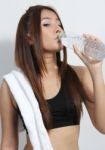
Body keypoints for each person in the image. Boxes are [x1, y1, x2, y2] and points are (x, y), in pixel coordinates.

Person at [0, 4, 105, 150]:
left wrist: (96, 70)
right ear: (29, 37)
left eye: (59, 23)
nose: (58, 28)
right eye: (46, 24)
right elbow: (8, 144)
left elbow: (103, 126)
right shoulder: (14, 84)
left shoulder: (79, 75)